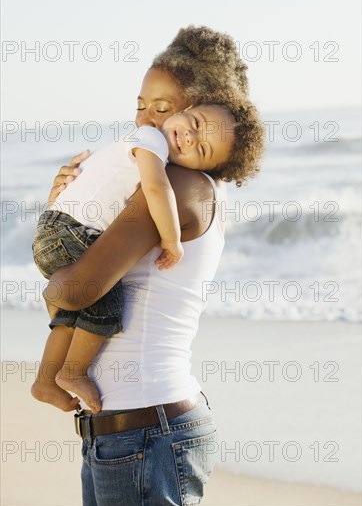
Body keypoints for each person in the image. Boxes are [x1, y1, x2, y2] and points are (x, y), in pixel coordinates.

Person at [39, 25, 264, 506]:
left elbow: (76, 291)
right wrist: (70, 209)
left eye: (163, 109)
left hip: (145, 433)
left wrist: (55, 261)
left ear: (201, 106)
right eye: (141, 104)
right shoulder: (171, 179)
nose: (145, 118)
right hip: (130, 432)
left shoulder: (177, 186)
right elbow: (85, 298)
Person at [32, 101, 255, 414]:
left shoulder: (180, 179)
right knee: (101, 304)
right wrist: (171, 240)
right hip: (133, 423)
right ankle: (67, 373)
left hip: (147, 421)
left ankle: (51, 378)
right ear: (187, 108)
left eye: (201, 148)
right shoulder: (152, 145)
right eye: (195, 121)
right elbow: (154, 187)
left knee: (89, 307)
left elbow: (66, 291)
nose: (190, 136)